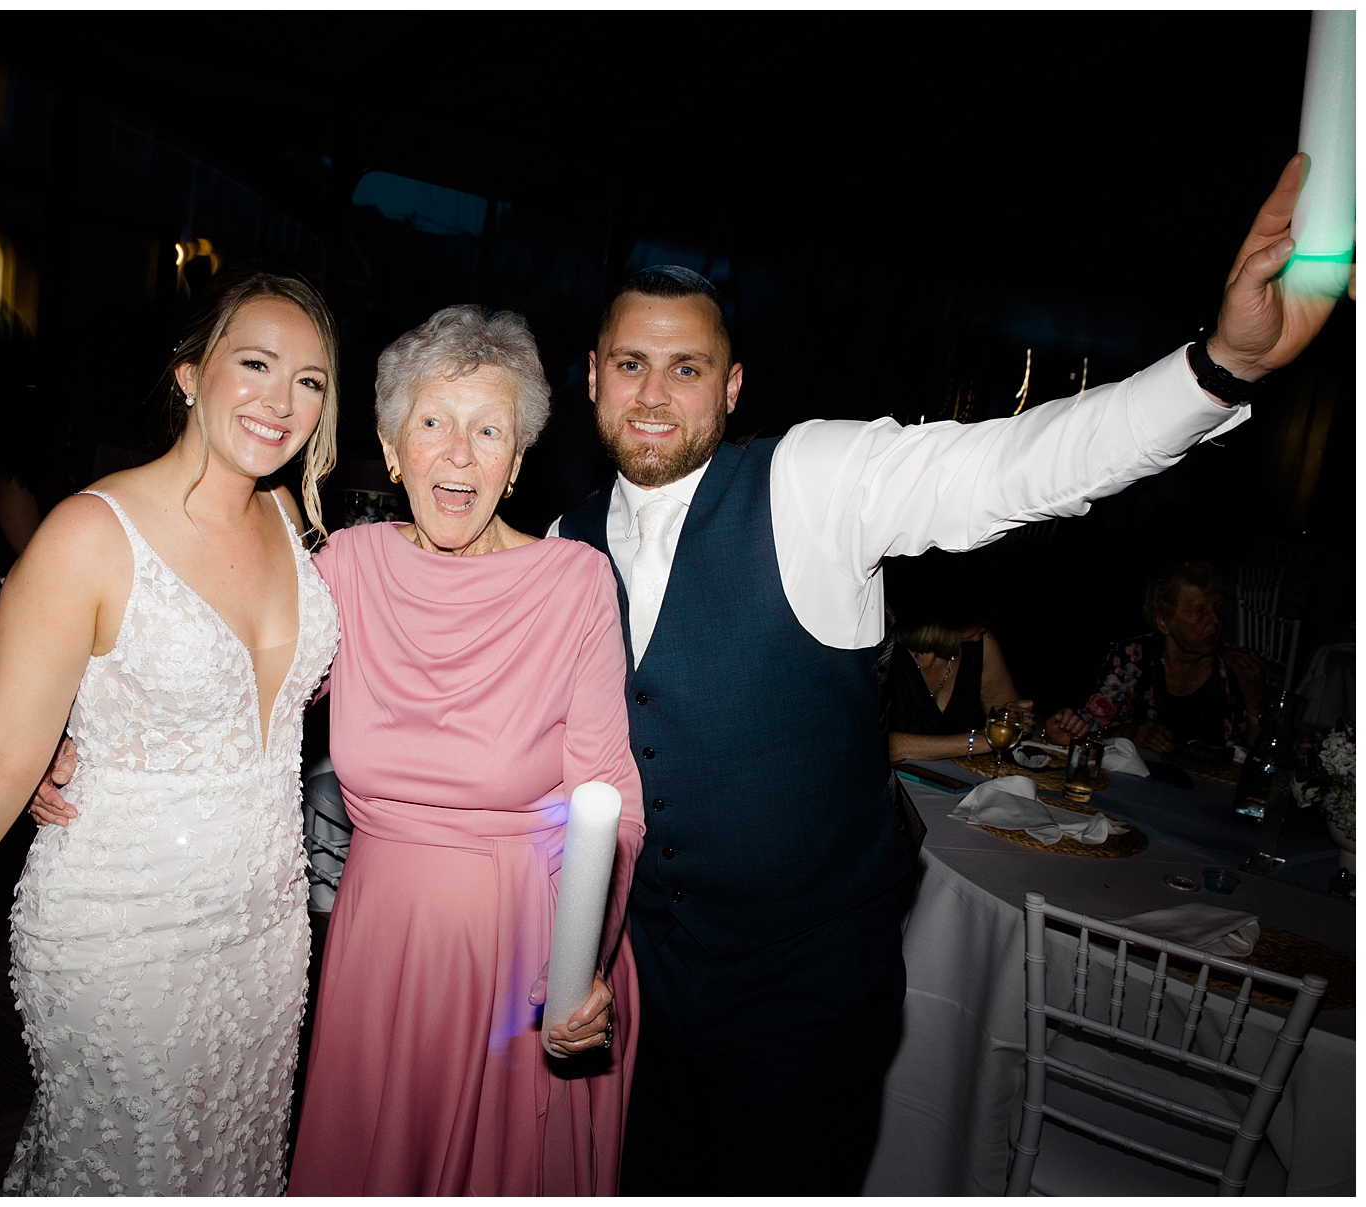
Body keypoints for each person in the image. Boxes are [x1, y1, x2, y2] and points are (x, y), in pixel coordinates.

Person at [546, 155, 1344, 1194]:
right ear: (594, 372)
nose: (655, 394)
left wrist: (1216, 368)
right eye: (633, 364)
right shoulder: (561, 546)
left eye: (687, 367)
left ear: (732, 385)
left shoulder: (813, 481)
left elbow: (1018, 465)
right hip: (641, 980)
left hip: (803, 988)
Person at [37, 305, 644, 1195]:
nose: (460, 452)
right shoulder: (349, 569)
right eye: (432, 423)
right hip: (381, 948)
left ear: (517, 464)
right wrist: (68, 730)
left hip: (527, 950)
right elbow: (229, 680)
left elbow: (612, 796)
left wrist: (583, 959)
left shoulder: (576, 583)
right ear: (394, 451)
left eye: (488, 431)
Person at [0, 268, 344, 1195]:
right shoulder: (91, 534)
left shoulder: (289, 517)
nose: (282, 401)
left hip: (268, 937)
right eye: (255, 363)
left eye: (311, 380)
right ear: (190, 374)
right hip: (124, 935)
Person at [1081, 560, 1265, 754]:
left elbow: (1260, 756)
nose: (1215, 619)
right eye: (1200, 610)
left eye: (1218, 607)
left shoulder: (1233, 668)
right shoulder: (1132, 659)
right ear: (1163, 623)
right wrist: (1128, 733)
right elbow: (1085, 737)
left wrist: (1255, 702)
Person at [885, 620, 1089, 762]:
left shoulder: (979, 642)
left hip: (951, 786)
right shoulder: (883, 648)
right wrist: (982, 741)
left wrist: (1046, 735)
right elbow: (874, 746)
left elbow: (1015, 723)